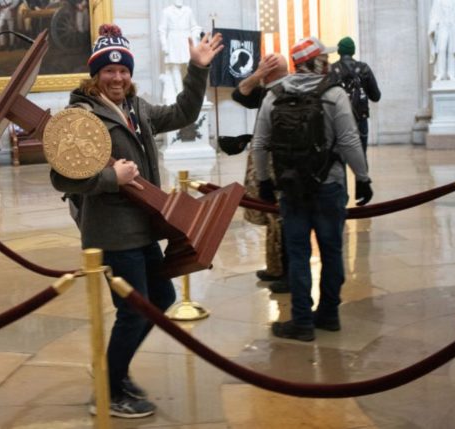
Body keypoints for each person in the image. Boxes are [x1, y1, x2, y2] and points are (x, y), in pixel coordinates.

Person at [50, 24, 223, 418]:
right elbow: (62, 177)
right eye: (108, 71)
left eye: (123, 70)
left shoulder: (137, 108)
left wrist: (197, 69)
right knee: (134, 309)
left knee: (161, 299)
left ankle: (114, 369)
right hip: (112, 232)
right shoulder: (80, 116)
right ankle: (108, 391)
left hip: (144, 226)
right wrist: (113, 177)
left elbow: (183, 112)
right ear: (96, 75)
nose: (117, 77)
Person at [251, 37, 372, 342]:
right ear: (321, 62)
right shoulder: (334, 94)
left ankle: (302, 320)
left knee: (298, 253)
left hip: (291, 188)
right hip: (329, 185)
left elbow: (260, 144)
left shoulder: (274, 95)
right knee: (332, 251)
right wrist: (363, 177)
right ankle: (329, 314)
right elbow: (349, 141)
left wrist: (265, 181)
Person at [224, 53, 290, 292]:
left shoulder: (283, 92)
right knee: (274, 219)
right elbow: (239, 93)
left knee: (281, 219)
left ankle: (287, 274)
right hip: (272, 164)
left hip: (281, 166)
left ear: (269, 72)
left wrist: (259, 74)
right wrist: (260, 75)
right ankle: (276, 268)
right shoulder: (268, 91)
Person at [329, 36, 381, 158]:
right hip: (360, 118)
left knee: (339, 161)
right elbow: (376, 96)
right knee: (361, 159)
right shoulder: (364, 69)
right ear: (353, 51)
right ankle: (362, 176)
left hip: (339, 120)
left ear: (339, 51)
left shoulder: (331, 70)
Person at [158, 0, 201, 102]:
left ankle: (190, 90)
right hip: (173, 40)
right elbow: (162, 29)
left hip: (186, 39)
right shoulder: (166, 11)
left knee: (190, 65)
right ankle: (179, 92)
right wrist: (164, 44)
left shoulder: (188, 11)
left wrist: (196, 34)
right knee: (175, 67)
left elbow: (194, 26)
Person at [428, 0, 455, 81]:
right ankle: (440, 74)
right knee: (441, 50)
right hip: (442, 27)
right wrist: (433, 25)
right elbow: (433, 14)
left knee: (452, 51)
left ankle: (451, 74)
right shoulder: (437, 1)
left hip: (454, 27)